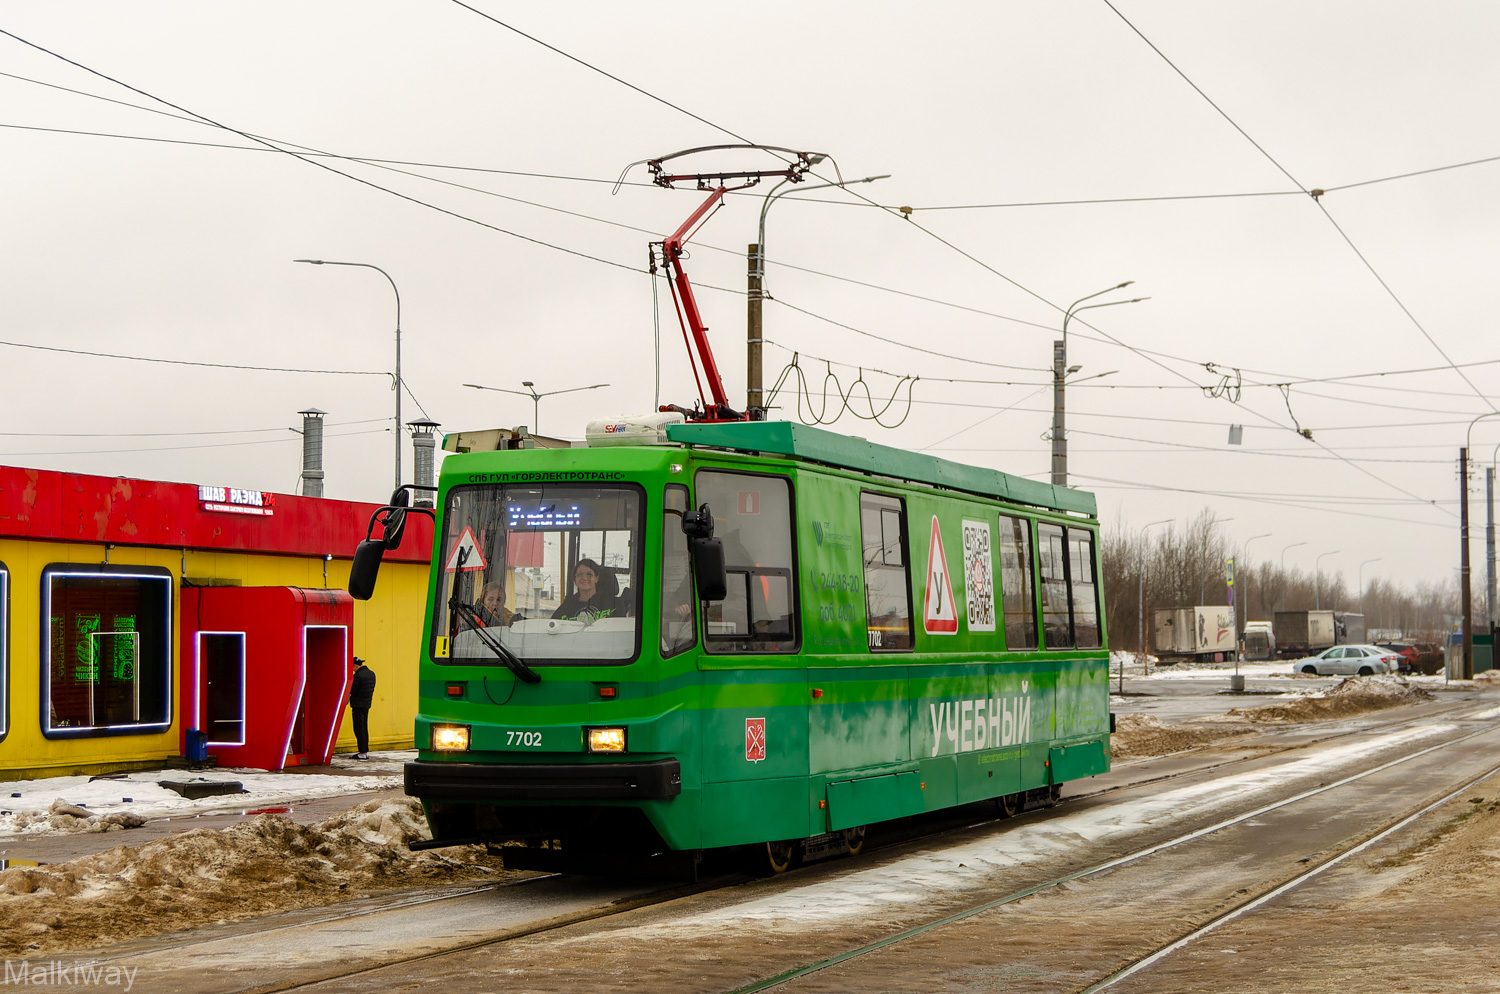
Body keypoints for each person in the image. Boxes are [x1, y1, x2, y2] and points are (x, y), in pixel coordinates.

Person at [552, 558, 619, 622]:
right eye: (579, 574)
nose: (584, 578)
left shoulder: (613, 604)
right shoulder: (568, 604)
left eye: (589, 574)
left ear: (596, 578)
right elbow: (553, 624)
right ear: (575, 579)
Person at [348, 656, 376, 760]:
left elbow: (353, 690)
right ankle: (365, 750)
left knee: (358, 728)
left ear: (355, 666)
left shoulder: (358, 676)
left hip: (358, 705)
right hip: (366, 704)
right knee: (364, 727)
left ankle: (362, 752)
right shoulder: (371, 674)